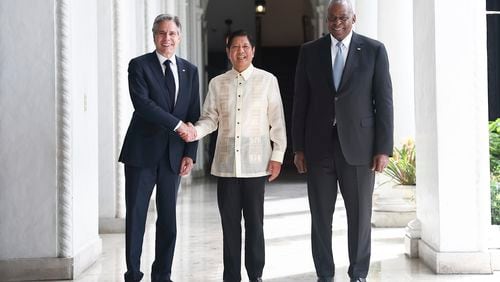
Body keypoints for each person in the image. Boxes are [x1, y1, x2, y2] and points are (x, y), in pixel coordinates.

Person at [292, 1, 394, 281]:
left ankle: (358, 273)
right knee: (320, 219)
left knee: (360, 218)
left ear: (354, 18)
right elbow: (300, 102)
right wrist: (298, 147)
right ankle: (324, 274)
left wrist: (383, 148)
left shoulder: (374, 50)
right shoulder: (309, 51)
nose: (337, 23)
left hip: (361, 147)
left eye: (342, 18)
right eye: (332, 18)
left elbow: (384, 101)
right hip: (318, 146)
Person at [180, 30, 287, 282]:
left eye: (245, 46)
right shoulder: (217, 83)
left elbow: (277, 121)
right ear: (228, 52)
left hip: (256, 165)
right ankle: (231, 277)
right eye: (235, 47)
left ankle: (256, 274)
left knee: (254, 224)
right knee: (229, 227)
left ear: (253, 50)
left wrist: (278, 155)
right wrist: (194, 131)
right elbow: (210, 119)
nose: (241, 51)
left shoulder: (267, 80)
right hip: (226, 166)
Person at [118, 14, 200, 282]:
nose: (167, 39)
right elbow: (143, 105)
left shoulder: (190, 71)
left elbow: (193, 114)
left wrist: (190, 153)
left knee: (168, 220)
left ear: (179, 36)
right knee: (137, 216)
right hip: (141, 155)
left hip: (173, 157)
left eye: (172, 33)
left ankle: (162, 274)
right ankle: (133, 273)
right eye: (162, 33)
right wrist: (177, 125)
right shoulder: (139, 66)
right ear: (154, 36)